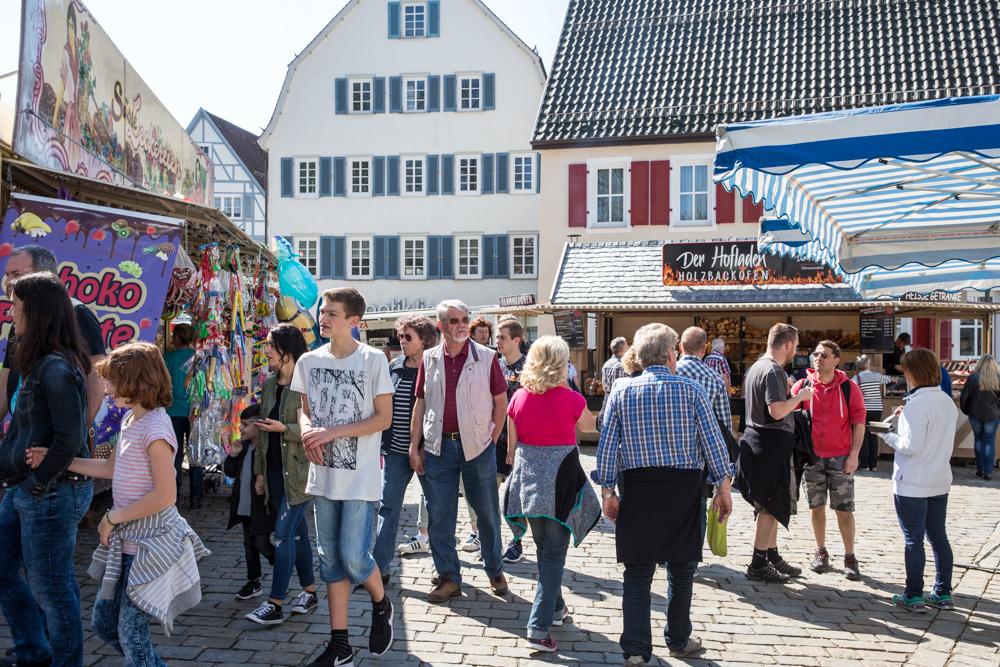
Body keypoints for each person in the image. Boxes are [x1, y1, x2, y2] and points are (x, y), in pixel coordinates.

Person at [27, 342, 209, 666]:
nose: (107, 389)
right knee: (104, 623)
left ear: (136, 382)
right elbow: (111, 468)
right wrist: (57, 459)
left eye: (112, 382)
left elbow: (166, 496)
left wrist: (112, 517)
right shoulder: (129, 421)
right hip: (128, 543)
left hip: (150, 544)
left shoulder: (156, 429)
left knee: (131, 634)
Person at [594, 323, 733, 664]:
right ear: (672, 354)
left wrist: (608, 491)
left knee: (637, 573)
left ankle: (636, 649)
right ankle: (679, 639)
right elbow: (713, 444)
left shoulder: (621, 392)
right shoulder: (692, 390)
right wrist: (723, 487)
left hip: (638, 487)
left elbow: (607, 448)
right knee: (682, 570)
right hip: (684, 489)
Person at [294, 288, 395, 666]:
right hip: (322, 475)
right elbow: (305, 410)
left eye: (332, 313)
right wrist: (307, 431)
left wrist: (332, 433)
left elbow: (383, 419)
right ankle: (340, 646)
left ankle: (381, 603)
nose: (323, 318)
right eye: (322, 312)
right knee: (330, 562)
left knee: (354, 558)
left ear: (354, 321)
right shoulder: (308, 360)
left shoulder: (373, 360)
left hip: (360, 477)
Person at [0, 272, 94, 667]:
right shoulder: (40, 360)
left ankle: (63, 661)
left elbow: (70, 437)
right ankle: (34, 652)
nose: (11, 314)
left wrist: (34, 487)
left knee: (52, 590)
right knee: (8, 572)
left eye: (16, 307)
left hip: (50, 490)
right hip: (29, 487)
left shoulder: (55, 367)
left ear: (36, 312)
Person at [503, 336, 600, 652]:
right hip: (560, 484)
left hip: (529, 483)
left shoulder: (518, 397)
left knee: (545, 550)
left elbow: (512, 448)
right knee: (555, 555)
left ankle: (556, 610)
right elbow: (589, 427)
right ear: (560, 363)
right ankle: (537, 627)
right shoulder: (571, 398)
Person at [410, 300, 510, 603]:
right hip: (438, 447)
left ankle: (494, 568)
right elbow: (420, 404)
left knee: (487, 513)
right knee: (439, 516)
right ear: (441, 326)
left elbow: (501, 403)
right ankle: (449, 576)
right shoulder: (429, 359)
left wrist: (491, 439)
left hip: (477, 447)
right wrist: (414, 447)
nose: (462, 325)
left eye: (465, 319)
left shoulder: (486, 357)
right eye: (454, 321)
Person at [245, 324, 316, 625]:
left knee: (283, 534)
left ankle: (275, 604)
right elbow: (263, 435)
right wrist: (260, 473)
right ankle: (310, 592)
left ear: (286, 351)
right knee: (297, 532)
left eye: (270, 345)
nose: (266, 351)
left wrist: (285, 429)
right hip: (274, 471)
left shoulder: (308, 384)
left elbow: (318, 428)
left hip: (300, 472)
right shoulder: (270, 385)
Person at [877, 348, 957, 612]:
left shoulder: (917, 404)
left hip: (913, 480)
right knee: (939, 537)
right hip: (939, 477)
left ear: (913, 372)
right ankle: (943, 592)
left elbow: (911, 446)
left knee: (914, 539)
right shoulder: (946, 400)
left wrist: (886, 435)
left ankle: (913, 594)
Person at [734, 323, 814, 583]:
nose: (796, 351)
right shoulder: (773, 370)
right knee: (769, 506)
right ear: (787, 344)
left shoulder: (757, 366)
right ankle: (758, 564)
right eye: (796, 346)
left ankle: (771, 556)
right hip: (770, 445)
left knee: (770, 505)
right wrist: (800, 397)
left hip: (758, 443)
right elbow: (777, 411)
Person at [0, 246, 106, 426]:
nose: (8, 281)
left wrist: (81, 428)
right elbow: (4, 387)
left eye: (16, 274)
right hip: (25, 430)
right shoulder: (21, 319)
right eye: (7, 275)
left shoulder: (75, 313)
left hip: (59, 432)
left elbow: (97, 376)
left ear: (44, 275)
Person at [791, 341, 866, 580]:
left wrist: (854, 454)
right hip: (811, 456)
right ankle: (820, 551)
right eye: (816, 354)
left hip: (840, 457)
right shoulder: (803, 386)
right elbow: (789, 416)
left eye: (824, 355)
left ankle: (850, 556)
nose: (818, 358)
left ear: (836, 360)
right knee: (816, 507)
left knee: (844, 509)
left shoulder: (849, 388)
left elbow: (859, 422)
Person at [374, 314, 438, 575]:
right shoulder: (395, 366)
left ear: (425, 340)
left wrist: (420, 449)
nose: (402, 340)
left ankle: (443, 570)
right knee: (388, 507)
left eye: (408, 337)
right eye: (400, 335)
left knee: (436, 508)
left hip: (428, 452)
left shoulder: (434, 368)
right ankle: (379, 569)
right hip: (395, 451)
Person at [224, 404, 275, 600]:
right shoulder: (243, 447)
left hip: (260, 509)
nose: (241, 429)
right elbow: (230, 473)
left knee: (261, 543)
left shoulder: (266, 449)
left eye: (245, 425)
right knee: (249, 547)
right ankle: (254, 582)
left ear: (259, 426)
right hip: (244, 507)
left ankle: (282, 563)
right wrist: (233, 454)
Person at [496, 318, 528, 563]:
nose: (497, 341)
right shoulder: (495, 365)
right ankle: (491, 537)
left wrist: (514, 447)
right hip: (497, 438)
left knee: (516, 495)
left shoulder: (528, 367)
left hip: (523, 441)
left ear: (516, 340)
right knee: (490, 491)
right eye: (497, 336)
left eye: (502, 337)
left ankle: (517, 541)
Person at [163, 323, 202, 509]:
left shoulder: (167, 358)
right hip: (196, 412)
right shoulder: (199, 358)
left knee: (175, 456)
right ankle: (196, 496)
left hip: (173, 412)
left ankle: (174, 496)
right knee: (196, 455)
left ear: (176, 338)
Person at [960, 354, 1000, 480]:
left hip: (975, 413)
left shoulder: (973, 378)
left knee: (978, 440)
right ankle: (988, 472)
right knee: (989, 442)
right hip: (993, 414)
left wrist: (966, 410)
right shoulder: (998, 378)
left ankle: (980, 469)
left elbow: (964, 397)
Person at [853, 355, 892, 472]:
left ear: (857, 366)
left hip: (864, 410)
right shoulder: (877, 375)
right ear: (869, 365)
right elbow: (888, 379)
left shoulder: (856, 378)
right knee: (873, 436)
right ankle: (873, 465)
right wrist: (894, 379)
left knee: (863, 436)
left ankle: (864, 465)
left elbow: (852, 389)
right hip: (877, 409)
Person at [596, 336, 629, 430]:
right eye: (627, 347)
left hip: (607, 402)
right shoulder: (624, 366)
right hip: (621, 405)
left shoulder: (606, 364)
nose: (628, 349)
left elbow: (604, 386)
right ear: (622, 350)